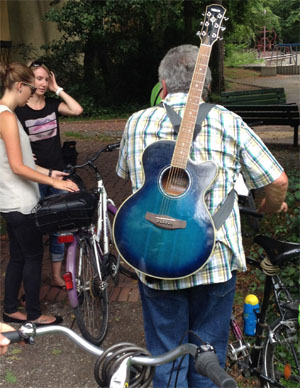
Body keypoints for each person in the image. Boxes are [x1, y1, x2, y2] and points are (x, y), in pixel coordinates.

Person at [116, 45, 288, 387]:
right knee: (209, 357)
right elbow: (278, 180)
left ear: (162, 85)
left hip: (153, 253)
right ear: (205, 86)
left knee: (167, 355)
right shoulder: (229, 122)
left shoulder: (136, 122)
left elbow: (126, 175)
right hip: (213, 256)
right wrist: (271, 206)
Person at [0, 62, 79, 326]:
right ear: (19, 86)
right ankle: (34, 314)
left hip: (9, 201)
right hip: (20, 202)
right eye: (29, 89)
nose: (30, 96)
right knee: (33, 257)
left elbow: (20, 160)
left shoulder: (4, 114)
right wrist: (52, 182)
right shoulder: (8, 117)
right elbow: (17, 166)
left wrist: (49, 172)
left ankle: (11, 308)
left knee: (19, 256)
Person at [15, 61, 83, 289]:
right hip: (33, 177)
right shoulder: (19, 110)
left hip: (58, 174)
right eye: (38, 78)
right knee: (34, 229)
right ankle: (31, 281)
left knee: (59, 226)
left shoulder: (53, 105)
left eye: (46, 79)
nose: (42, 83)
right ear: (27, 80)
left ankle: (56, 275)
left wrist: (58, 88)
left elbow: (77, 110)